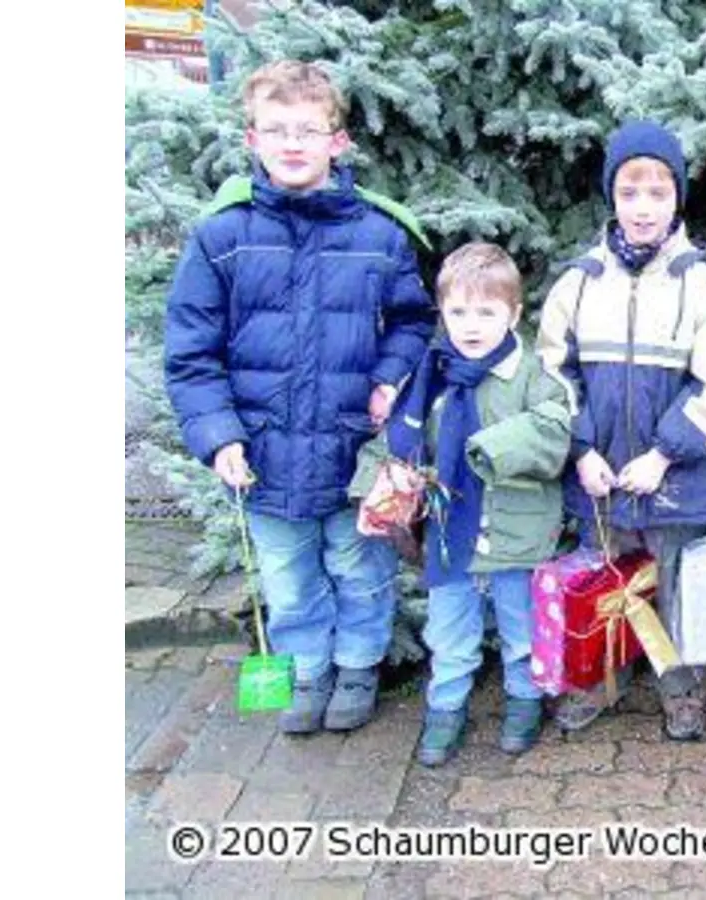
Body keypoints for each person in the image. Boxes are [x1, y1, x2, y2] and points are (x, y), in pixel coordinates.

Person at [163, 60, 434, 734]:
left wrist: (387, 377)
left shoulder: (378, 235)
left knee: (361, 568)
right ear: (252, 138)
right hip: (263, 454)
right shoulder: (222, 236)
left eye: (308, 130)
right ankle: (307, 671)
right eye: (276, 129)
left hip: (352, 449)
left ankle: (359, 665)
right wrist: (218, 436)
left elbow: (414, 322)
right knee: (288, 579)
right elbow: (191, 352)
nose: (292, 143)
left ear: (337, 142)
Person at [535, 120, 706, 741]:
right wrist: (581, 450)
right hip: (601, 478)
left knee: (674, 587)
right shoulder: (577, 284)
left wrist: (663, 455)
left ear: (678, 197)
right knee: (606, 582)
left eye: (658, 192)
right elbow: (553, 374)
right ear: (612, 196)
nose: (643, 207)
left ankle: (681, 688)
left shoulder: (704, 288)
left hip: (671, 481)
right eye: (629, 192)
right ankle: (603, 679)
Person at [371, 243, 572, 766]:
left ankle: (525, 700)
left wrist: (487, 447)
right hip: (449, 531)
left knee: (521, 628)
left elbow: (554, 433)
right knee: (449, 630)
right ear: (442, 312)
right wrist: (390, 482)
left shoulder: (534, 376)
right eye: (458, 312)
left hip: (516, 532)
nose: (471, 325)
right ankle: (446, 706)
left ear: (514, 314)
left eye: (486, 312)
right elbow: (400, 437)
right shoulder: (431, 374)